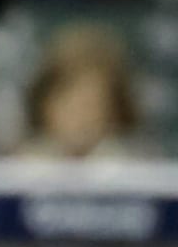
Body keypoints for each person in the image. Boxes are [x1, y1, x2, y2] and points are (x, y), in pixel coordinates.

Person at [15, 22, 146, 160]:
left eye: (92, 106)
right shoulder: (16, 168)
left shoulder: (134, 168)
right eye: (70, 106)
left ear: (115, 114)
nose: (81, 118)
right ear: (44, 106)